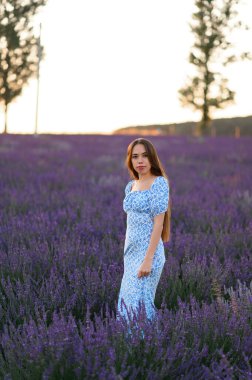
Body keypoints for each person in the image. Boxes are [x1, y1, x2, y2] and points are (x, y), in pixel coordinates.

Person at [116, 137, 171, 335]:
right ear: (130, 160)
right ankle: (129, 352)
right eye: (135, 156)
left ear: (152, 158)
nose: (140, 161)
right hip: (131, 255)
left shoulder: (159, 183)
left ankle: (148, 349)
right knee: (127, 303)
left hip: (149, 255)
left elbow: (159, 223)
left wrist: (148, 260)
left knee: (140, 303)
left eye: (145, 156)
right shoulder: (131, 186)